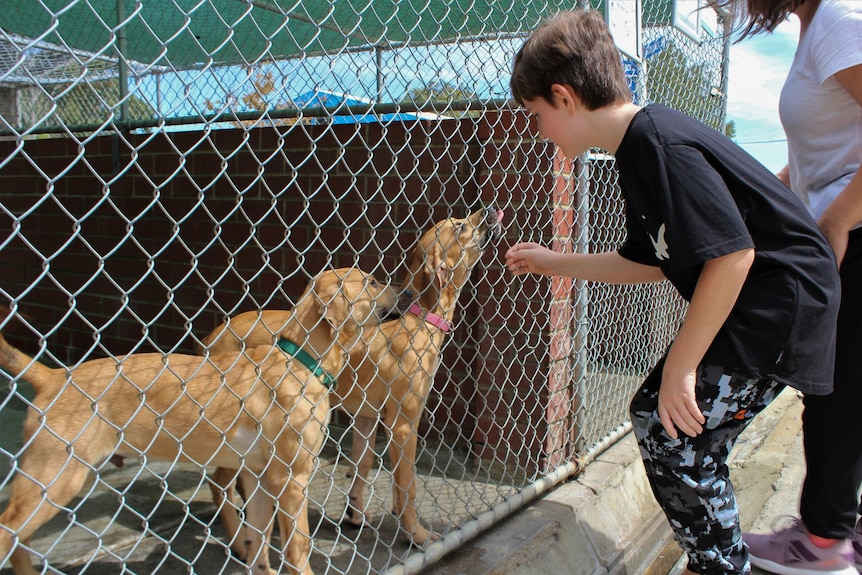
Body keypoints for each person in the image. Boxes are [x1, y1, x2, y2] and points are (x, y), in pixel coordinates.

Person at [504, 8, 842, 575]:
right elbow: (653, 262)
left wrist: (683, 365)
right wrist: (551, 261)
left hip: (780, 306)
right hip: (765, 303)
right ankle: (715, 557)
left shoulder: (657, 142)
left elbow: (733, 255)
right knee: (673, 427)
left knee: (672, 429)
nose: (539, 131)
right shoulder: (634, 151)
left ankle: (716, 563)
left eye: (537, 116)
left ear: (564, 97)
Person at [705, 0, 862, 573]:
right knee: (844, 388)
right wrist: (748, 198)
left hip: (855, 233)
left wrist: (840, 218)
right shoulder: (818, 30)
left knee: (835, 392)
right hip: (844, 227)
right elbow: (812, 162)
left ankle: (824, 544)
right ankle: (837, 529)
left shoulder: (838, 24)